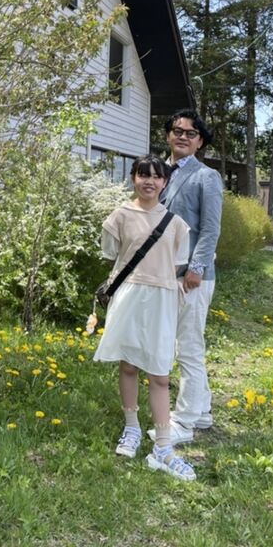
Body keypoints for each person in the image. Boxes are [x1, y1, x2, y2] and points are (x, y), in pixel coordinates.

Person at [93, 154, 196, 482]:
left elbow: (177, 264)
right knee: (128, 365)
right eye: (143, 175)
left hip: (162, 298)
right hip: (129, 296)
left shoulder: (176, 224)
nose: (149, 181)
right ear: (133, 178)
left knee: (160, 373)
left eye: (156, 176)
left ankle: (163, 446)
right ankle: (132, 427)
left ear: (164, 182)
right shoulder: (119, 217)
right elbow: (111, 255)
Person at [149, 109, 223, 446]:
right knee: (182, 344)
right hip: (164, 273)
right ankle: (202, 411)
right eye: (177, 130)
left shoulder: (206, 176)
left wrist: (197, 268)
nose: (182, 136)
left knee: (188, 347)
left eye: (190, 133)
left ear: (200, 142)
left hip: (192, 278)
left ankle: (185, 420)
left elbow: (210, 228)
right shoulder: (159, 173)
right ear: (168, 135)